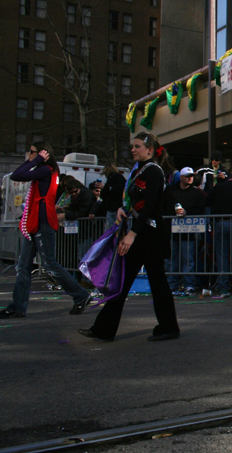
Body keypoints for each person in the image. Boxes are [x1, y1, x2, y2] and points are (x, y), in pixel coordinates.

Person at [78, 132, 179, 342]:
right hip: (143, 233)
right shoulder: (140, 170)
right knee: (126, 282)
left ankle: (168, 327)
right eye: (132, 146)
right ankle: (105, 328)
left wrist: (132, 234)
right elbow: (136, 202)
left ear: (150, 150)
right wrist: (122, 210)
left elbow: (151, 206)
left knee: (154, 282)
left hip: (149, 235)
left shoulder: (153, 171)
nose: (133, 149)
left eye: (137, 146)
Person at [1, 143, 92, 318]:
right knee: (23, 266)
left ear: (43, 154)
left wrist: (38, 160)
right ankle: (17, 307)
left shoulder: (46, 170)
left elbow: (16, 175)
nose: (29, 154)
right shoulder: (46, 170)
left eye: (32, 152)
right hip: (36, 220)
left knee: (50, 263)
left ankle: (81, 295)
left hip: (42, 220)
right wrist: (36, 159)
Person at [162, 167, 206, 294]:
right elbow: (163, 207)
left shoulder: (197, 193)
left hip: (188, 231)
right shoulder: (170, 191)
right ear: (181, 177)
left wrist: (187, 212)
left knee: (188, 259)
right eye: (187, 176)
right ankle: (172, 284)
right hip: (171, 230)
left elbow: (200, 209)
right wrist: (173, 213)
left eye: (191, 176)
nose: (190, 178)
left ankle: (189, 284)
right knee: (172, 259)